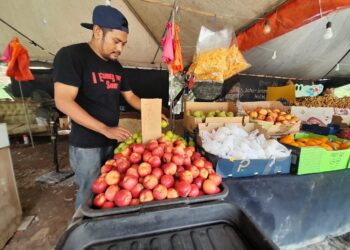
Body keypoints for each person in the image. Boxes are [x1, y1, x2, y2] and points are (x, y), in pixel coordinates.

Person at [53, 5, 153, 208]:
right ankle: (83, 232)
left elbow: (131, 97)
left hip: (112, 141)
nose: (120, 49)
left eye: (123, 44)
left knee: (109, 195)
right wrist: (105, 129)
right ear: (98, 31)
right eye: (116, 41)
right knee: (89, 194)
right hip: (87, 145)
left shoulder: (116, 66)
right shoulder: (72, 56)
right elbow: (63, 100)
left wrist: (152, 110)